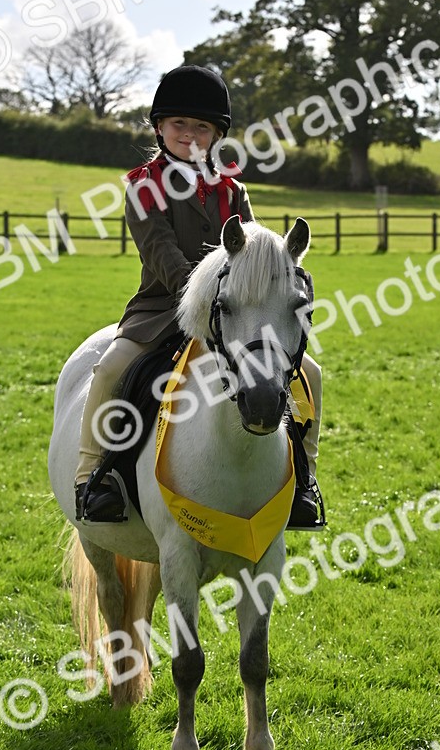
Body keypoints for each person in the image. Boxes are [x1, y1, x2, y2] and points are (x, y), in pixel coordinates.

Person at [74, 64, 323, 528]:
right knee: (109, 368)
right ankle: (94, 477)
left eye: (201, 127)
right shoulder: (142, 187)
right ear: (159, 128)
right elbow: (162, 256)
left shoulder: (233, 188)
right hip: (161, 310)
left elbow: (253, 255)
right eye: (179, 125)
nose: (190, 135)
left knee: (309, 372)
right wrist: (207, 300)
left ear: (216, 134)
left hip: (235, 312)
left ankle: (303, 480)